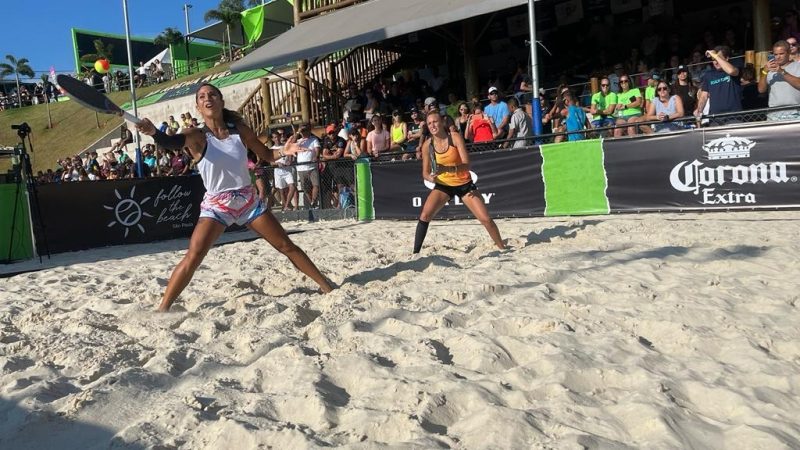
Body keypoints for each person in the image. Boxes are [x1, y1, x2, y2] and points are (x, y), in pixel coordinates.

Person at [135, 83, 333, 311]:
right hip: (217, 204)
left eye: (212, 94)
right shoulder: (196, 135)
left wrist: (283, 152)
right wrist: (154, 133)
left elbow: (267, 155)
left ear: (221, 100)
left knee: (286, 245)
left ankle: (326, 287)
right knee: (194, 255)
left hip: (247, 199)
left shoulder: (240, 130)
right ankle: (163, 309)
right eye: (201, 97)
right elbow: (171, 143)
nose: (207, 98)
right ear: (198, 107)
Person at [413, 110, 505, 254]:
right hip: (443, 185)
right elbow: (425, 173)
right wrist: (432, 178)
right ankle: (415, 254)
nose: (432, 125)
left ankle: (502, 248)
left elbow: (467, 165)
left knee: (485, 219)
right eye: (429, 123)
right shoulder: (427, 145)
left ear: (442, 122)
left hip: (464, 184)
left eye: (435, 122)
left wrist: (447, 168)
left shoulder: (454, 137)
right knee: (424, 216)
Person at [694, 45, 742, 125]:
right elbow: (703, 96)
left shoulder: (735, 68)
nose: (716, 62)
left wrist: (715, 55)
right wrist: (699, 111)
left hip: (734, 116)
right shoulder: (708, 75)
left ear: (726, 58)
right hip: (715, 118)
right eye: (713, 59)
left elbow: (731, 71)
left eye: (718, 59)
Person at [758, 40, 800, 121]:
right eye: (775, 54)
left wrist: (781, 71)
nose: (778, 57)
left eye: (781, 54)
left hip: (795, 112)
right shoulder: (768, 69)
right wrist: (764, 71)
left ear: (788, 53)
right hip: (774, 114)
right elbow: (761, 90)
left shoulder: (798, 66)